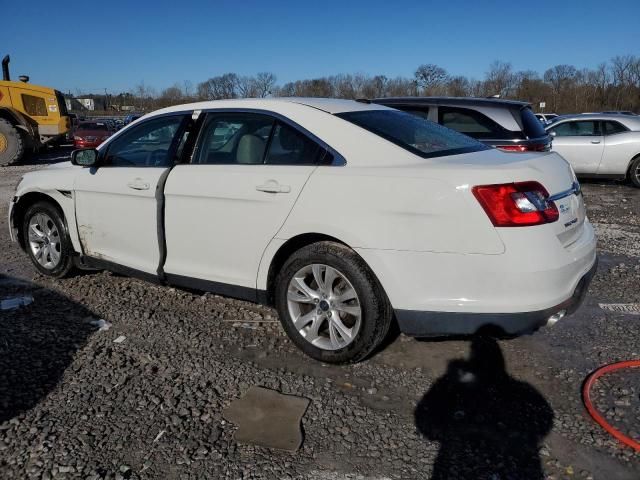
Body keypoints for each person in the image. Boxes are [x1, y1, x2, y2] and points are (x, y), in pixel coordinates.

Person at [415, 336, 553, 479]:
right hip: (509, 467)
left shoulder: (455, 387)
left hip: (457, 465)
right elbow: (545, 420)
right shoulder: (522, 391)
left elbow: (425, 422)